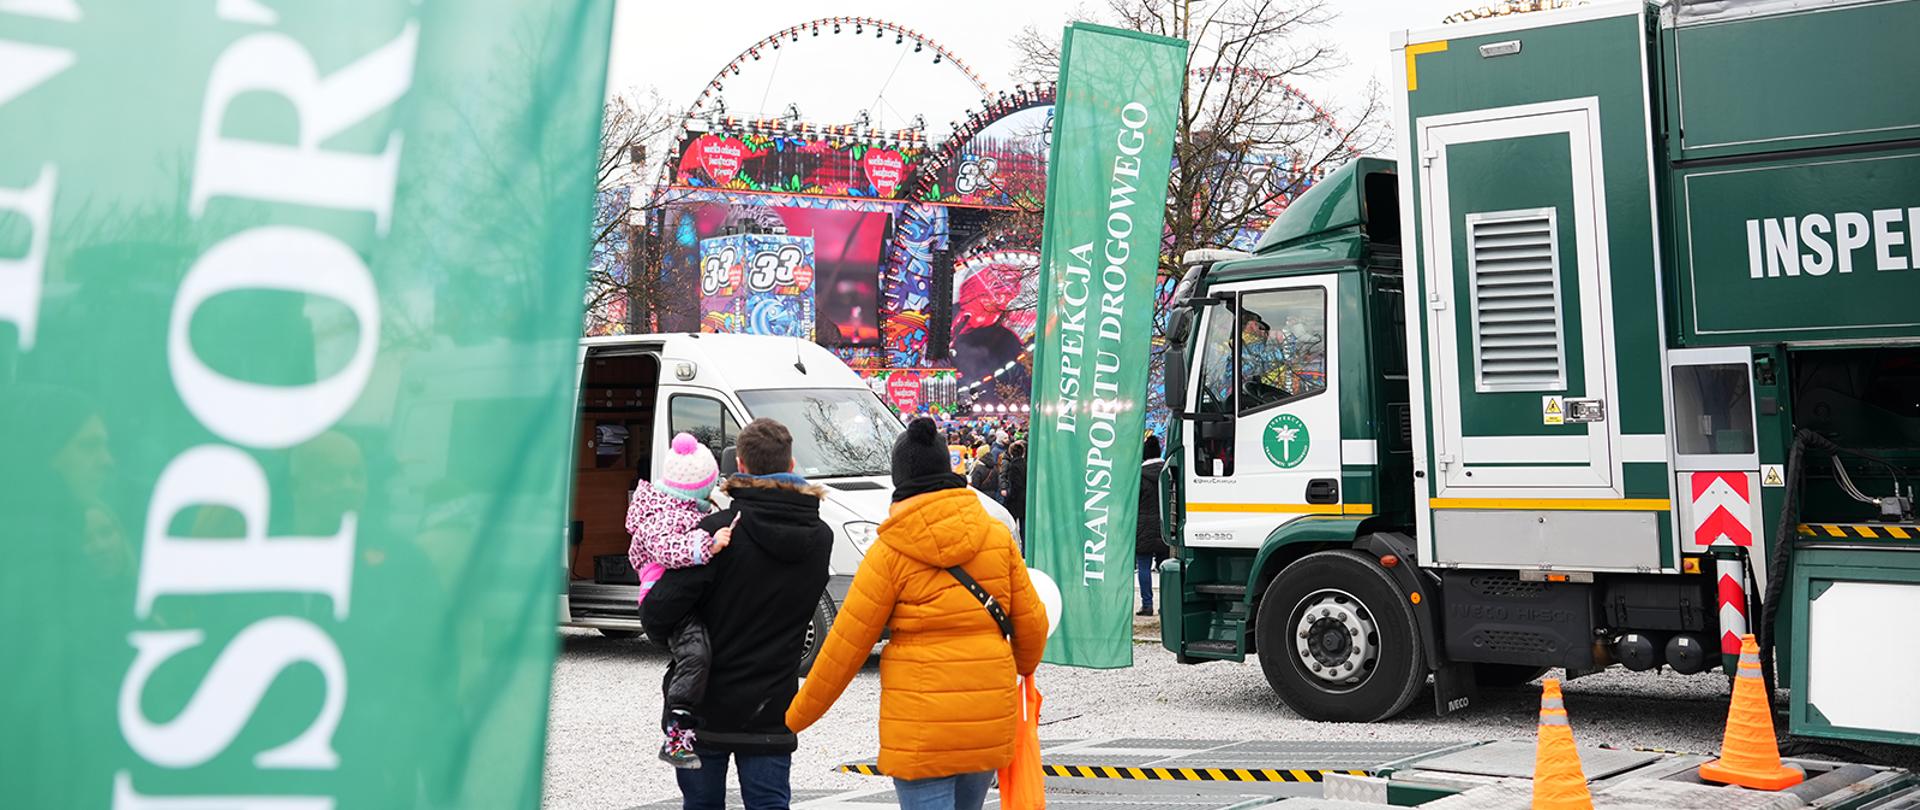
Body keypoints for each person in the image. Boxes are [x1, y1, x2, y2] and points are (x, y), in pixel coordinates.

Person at [787, 417, 1047, 810]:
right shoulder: (995, 537)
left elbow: (844, 651)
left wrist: (792, 720)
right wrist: (1019, 665)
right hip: (985, 719)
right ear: (949, 470)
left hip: (920, 729)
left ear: (900, 480)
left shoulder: (890, 551)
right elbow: (1033, 625)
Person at [643, 418, 833, 809]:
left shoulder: (717, 533)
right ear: (792, 465)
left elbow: (657, 615)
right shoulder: (820, 538)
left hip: (702, 705)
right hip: (772, 707)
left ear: (740, 466)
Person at [625, 432, 730, 768]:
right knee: (695, 654)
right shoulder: (664, 516)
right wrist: (707, 546)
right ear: (699, 486)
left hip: (671, 593)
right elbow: (668, 550)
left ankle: (680, 717)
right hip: (660, 594)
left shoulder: (677, 507)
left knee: (697, 654)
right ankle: (676, 732)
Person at [1136, 435, 1169, 617]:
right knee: (1165, 567)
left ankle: (1147, 605)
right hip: (1164, 527)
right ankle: (1165, 604)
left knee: (1143, 566)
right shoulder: (1168, 471)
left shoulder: (1138, 476)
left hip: (1143, 527)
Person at [998, 440, 1027, 544]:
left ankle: (1014, 545)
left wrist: (1009, 495)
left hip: (1015, 499)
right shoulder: (1026, 464)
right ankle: (1025, 547)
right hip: (1024, 499)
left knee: (1012, 524)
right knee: (1024, 525)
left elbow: (1014, 484)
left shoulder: (1013, 466)